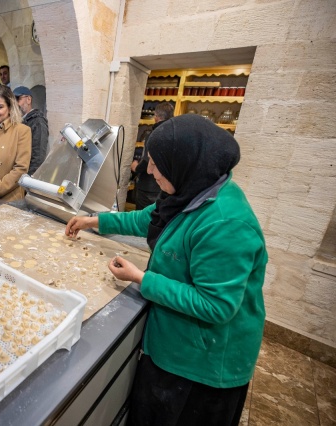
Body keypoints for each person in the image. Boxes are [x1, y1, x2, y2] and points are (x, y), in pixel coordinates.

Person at [65, 114, 267, 426]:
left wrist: (141, 278)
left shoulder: (226, 223)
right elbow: (149, 217)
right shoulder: (191, 191)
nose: (148, 171)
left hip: (202, 367)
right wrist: (95, 221)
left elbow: (216, 305)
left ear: (183, 162)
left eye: (157, 164)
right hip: (174, 344)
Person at [132, 102, 173, 210]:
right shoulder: (174, 134)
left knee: (141, 220)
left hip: (148, 186)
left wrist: (136, 167)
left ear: (156, 117)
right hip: (164, 186)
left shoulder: (154, 134)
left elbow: (147, 161)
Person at [13, 86, 49, 175]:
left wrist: (28, 179)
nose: (15, 104)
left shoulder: (38, 122)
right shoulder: (17, 121)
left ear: (28, 99)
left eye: (18, 99)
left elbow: (38, 156)